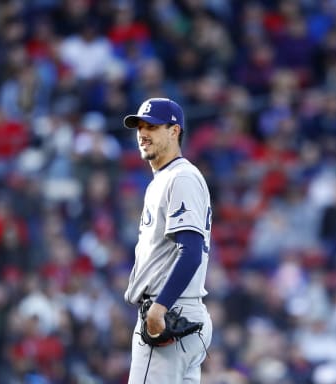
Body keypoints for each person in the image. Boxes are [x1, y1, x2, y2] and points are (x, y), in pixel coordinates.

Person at [123, 98, 213, 383]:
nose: (142, 133)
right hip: (182, 310)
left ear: (174, 131)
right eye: (139, 126)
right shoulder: (165, 178)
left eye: (152, 126)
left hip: (171, 311)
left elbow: (190, 252)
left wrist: (160, 308)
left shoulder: (181, 177)